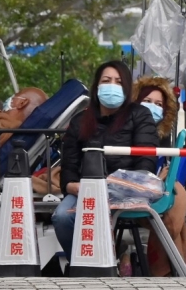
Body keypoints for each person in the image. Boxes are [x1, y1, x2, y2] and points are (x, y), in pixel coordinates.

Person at [52, 61, 160, 263]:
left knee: (101, 218)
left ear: (127, 88)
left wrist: (124, 188)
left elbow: (146, 161)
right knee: (62, 217)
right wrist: (71, 185)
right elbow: (69, 165)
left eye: (118, 82)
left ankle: (111, 257)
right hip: (87, 190)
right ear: (97, 87)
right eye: (106, 80)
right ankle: (80, 265)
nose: (112, 86)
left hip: (126, 191)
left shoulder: (140, 115)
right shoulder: (80, 121)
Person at [132, 76, 186, 277]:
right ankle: (169, 272)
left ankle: (169, 271)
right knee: (176, 204)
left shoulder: (162, 138)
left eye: (158, 104)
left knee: (177, 197)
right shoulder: (124, 132)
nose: (152, 108)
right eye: (147, 102)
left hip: (154, 193)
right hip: (131, 192)